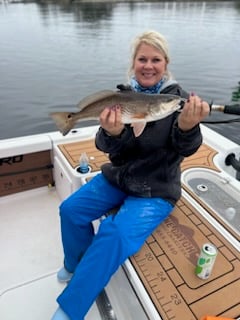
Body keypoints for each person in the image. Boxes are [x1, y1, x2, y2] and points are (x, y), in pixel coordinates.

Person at [51, 30, 210, 320]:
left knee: (116, 234)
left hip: (157, 187)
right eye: (142, 59)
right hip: (120, 176)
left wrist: (188, 127)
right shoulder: (121, 96)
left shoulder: (177, 102)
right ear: (134, 62)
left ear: (166, 63)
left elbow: (185, 148)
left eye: (156, 59)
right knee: (70, 209)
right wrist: (113, 132)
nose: (148, 65)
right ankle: (75, 263)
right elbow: (107, 148)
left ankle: (69, 309)